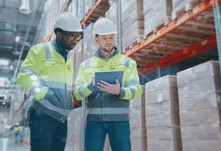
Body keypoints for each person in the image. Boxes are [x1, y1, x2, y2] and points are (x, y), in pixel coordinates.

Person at [16, 12, 83, 151]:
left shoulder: (68, 58)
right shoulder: (40, 50)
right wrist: (44, 93)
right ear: (58, 34)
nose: (76, 40)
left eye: (78, 36)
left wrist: (71, 98)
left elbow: (63, 86)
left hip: (61, 118)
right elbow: (24, 75)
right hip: (43, 115)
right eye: (72, 35)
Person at [74, 17, 142, 151]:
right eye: (104, 38)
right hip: (94, 122)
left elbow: (137, 90)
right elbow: (77, 93)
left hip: (120, 122)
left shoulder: (128, 63)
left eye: (111, 37)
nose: (108, 41)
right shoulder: (86, 66)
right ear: (96, 39)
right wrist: (89, 86)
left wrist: (119, 91)